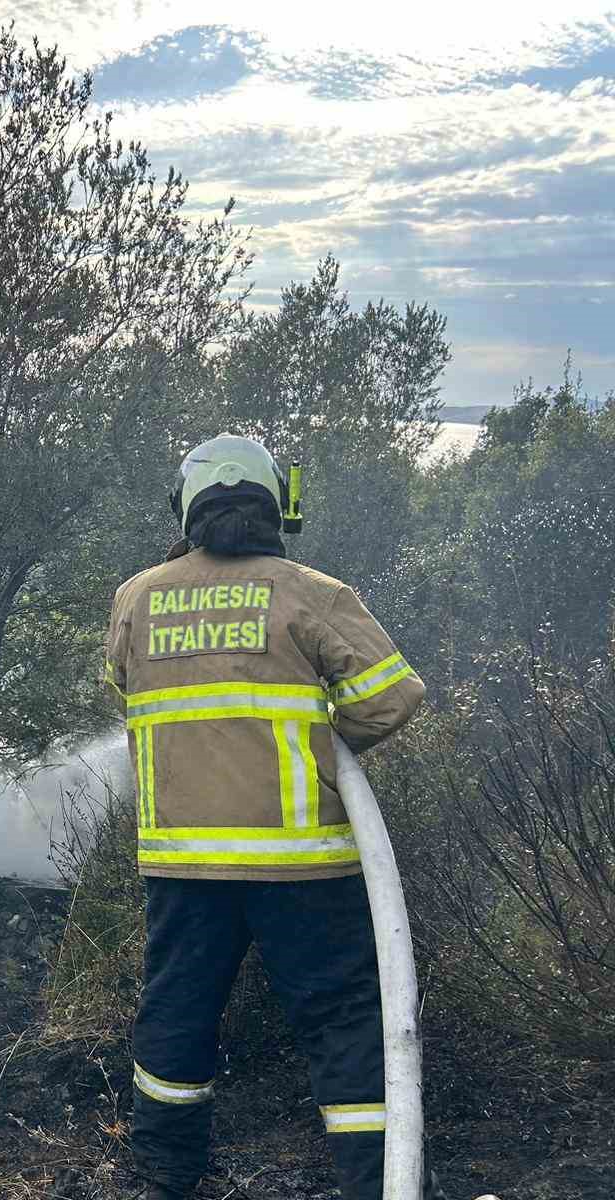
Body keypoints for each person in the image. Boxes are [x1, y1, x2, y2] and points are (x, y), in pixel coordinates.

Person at [102, 434, 443, 1200]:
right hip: (304, 864)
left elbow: (122, 690)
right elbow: (395, 697)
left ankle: (164, 1174)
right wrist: (321, 744)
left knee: (176, 1017)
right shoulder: (309, 592)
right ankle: (378, 1181)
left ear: (184, 506)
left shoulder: (137, 598)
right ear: (274, 505)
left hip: (185, 865)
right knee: (345, 1024)